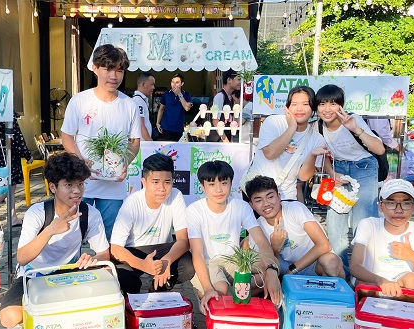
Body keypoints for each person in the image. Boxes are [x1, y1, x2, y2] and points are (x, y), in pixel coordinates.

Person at [0, 152, 110, 329]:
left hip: (70, 273)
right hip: (35, 275)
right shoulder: (37, 213)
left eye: (80, 184)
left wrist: (92, 258)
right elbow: (22, 257)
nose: (76, 191)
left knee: (108, 278)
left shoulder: (90, 214)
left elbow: (104, 254)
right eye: (68, 185)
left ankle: (50, 313)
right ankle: (50, 311)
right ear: (53, 187)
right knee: (9, 318)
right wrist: (51, 230)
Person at [61, 44, 141, 241]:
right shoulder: (79, 101)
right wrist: (81, 162)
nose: (114, 76)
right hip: (80, 184)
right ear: (95, 68)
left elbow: (134, 142)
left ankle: (107, 271)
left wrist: (125, 164)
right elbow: (67, 136)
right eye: (108, 69)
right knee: (71, 235)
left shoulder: (129, 105)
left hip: (113, 188)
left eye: (119, 70)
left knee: (110, 239)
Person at [186, 161, 282, 314]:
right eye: (211, 184)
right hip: (209, 261)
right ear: (203, 187)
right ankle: (206, 293)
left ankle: (237, 293)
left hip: (235, 259)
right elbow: (196, 253)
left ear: (231, 183)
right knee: (220, 290)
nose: (218, 189)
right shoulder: (194, 210)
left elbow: (262, 242)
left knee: (273, 265)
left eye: (224, 183)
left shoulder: (241, 206)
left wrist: (271, 272)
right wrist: (208, 288)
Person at [316, 84, 385, 270]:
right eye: (322, 104)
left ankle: (363, 271)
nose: (327, 109)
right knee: (335, 221)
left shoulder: (353, 120)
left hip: (364, 167)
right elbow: (321, 156)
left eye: (333, 104)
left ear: (341, 105)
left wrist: (356, 129)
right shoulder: (318, 127)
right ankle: (343, 274)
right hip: (340, 170)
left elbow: (379, 149)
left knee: (362, 222)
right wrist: (333, 174)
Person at [110, 153, 195, 294]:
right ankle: (132, 300)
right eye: (155, 182)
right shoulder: (132, 203)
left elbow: (183, 240)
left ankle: (157, 289)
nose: (162, 188)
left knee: (187, 266)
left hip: (163, 249)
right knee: (121, 275)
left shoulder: (176, 196)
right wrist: (144, 265)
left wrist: (166, 261)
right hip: (135, 250)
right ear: (144, 182)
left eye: (167, 182)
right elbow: (115, 248)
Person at [350, 179, 414, 300]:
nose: (399, 210)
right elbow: (355, 267)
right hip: (374, 283)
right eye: (391, 203)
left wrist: (413, 257)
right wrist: (381, 281)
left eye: (406, 203)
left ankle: (401, 314)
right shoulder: (368, 225)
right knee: (364, 287)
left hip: (404, 288)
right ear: (381, 206)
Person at [245, 175, 345, 279]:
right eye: (258, 200)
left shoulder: (295, 209)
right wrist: (275, 248)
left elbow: (324, 245)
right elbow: (268, 266)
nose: (266, 204)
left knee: (331, 261)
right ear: (251, 205)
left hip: (314, 265)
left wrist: (292, 270)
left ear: (279, 197)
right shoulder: (256, 227)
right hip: (284, 274)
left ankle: (336, 293)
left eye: (270, 197)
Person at [240, 86, 328, 200]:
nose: (299, 109)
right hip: (257, 191)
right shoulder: (273, 122)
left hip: (286, 194)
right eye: (294, 104)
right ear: (287, 107)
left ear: (313, 108)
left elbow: (303, 176)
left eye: (305, 104)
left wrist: (312, 155)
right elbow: (270, 154)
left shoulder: (317, 139)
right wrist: (292, 127)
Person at [156, 73, 193, 141]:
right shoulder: (166, 94)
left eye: (177, 82)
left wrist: (179, 94)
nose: (174, 84)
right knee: (167, 149)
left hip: (178, 128)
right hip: (166, 127)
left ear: (182, 84)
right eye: (172, 82)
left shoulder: (186, 94)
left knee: (176, 149)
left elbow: (187, 108)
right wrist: (157, 122)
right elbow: (161, 109)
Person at [211, 69, 241, 142]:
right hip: (218, 139)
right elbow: (215, 121)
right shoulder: (220, 96)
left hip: (226, 137)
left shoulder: (231, 97)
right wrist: (226, 141)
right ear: (229, 80)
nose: (240, 82)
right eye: (238, 79)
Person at [133, 72, 155, 141]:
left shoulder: (141, 100)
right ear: (143, 84)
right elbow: (140, 124)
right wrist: (150, 142)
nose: (153, 87)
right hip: (142, 145)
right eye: (152, 84)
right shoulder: (138, 100)